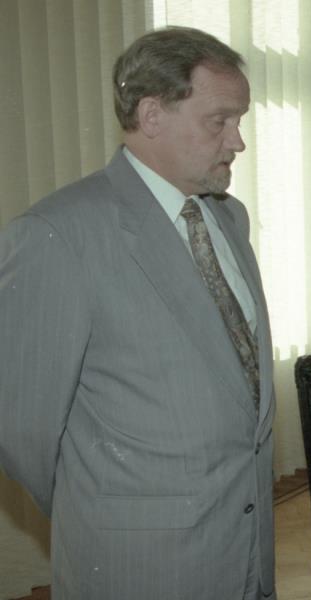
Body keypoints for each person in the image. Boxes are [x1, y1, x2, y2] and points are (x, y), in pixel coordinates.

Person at [0, 27, 275, 599]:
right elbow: (22, 428)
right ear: (152, 115)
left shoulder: (229, 217)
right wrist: (105, 506)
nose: (238, 141)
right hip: (138, 563)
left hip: (245, 545)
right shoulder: (59, 234)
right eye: (220, 121)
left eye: (240, 120)